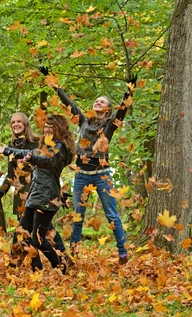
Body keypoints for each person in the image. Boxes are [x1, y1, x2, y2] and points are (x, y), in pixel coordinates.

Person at [48, 67, 135, 265]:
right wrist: (55, 86)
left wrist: (129, 93)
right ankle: (74, 254)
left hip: (102, 175)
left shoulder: (110, 125)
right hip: (81, 175)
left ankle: (123, 253)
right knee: (78, 215)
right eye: (97, 100)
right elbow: (69, 103)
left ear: (108, 109)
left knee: (111, 214)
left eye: (102, 101)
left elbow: (122, 112)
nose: (98, 102)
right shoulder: (84, 121)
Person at [0, 114, 74, 272]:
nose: (47, 129)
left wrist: (31, 159)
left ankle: (59, 264)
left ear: (59, 128)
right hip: (35, 195)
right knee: (23, 232)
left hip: (46, 196)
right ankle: (36, 266)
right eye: (45, 126)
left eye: (51, 126)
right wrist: (8, 150)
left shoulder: (60, 147)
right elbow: (30, 153)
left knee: (38, 238)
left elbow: (48, 161)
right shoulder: (46, 146)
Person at [0, 112, 39, 216]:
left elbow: (46, 165)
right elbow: (11, 175)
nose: (15, 124)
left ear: (25, 124)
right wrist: (0, 193)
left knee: (39, 229)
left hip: (37, 190)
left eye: (19, 121)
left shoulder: (36, 142)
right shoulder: (11, 146)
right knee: (22, 229)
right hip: (20, 193)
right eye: (13, 122)